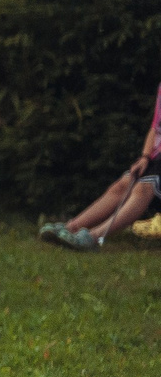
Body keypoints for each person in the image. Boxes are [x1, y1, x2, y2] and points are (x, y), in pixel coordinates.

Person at [42, 80, 161, 250]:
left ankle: (93, 237)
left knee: (144, 188)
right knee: (121, 185)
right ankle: (72, 228)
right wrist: (145, 157)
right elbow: (155, 128)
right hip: (156, 157)